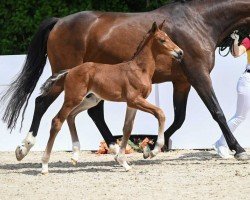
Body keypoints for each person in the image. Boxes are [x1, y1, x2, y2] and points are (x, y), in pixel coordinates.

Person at [213, 32, 250, 159]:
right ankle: (221, 143)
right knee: (240, 116)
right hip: (248, 80)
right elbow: (236, 53)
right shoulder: (249, 40)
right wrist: (235, 41)